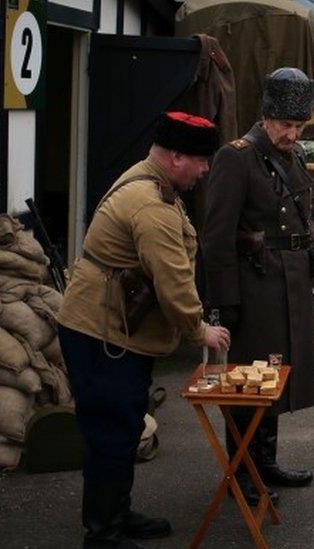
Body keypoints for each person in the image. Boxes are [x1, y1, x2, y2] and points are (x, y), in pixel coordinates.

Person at [57, 112, 230, 547]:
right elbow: (173, 281)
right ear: (175, 157)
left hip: (113, 330)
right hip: (103, 333)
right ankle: (103, 534)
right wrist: (199, 331)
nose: (206, 169)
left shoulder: (152, 181)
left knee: (126, 423)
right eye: (200, 160)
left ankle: (117, 512)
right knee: (112, 431)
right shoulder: (151, 203)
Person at [203, 68, 314, 505]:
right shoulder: (236, 157)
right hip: (253, 288)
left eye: (298, 126)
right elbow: (216, 237)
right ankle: (242, 471)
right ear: (266, 117)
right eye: (286, 125)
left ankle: (265, 462)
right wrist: (225, 303)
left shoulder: (288, 156)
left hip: (287, 283)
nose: (293, 134)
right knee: (249, 382)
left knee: (277, 375)